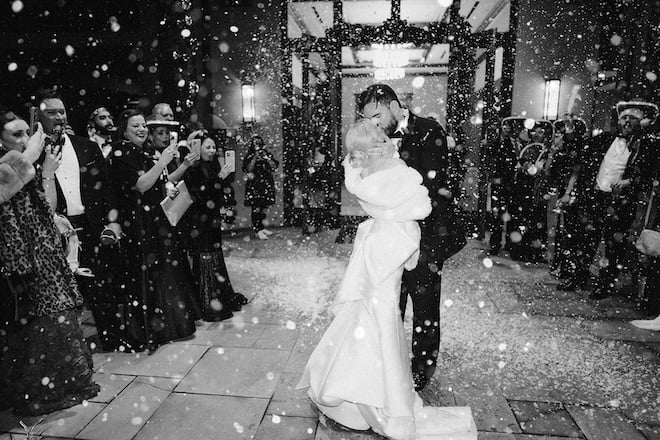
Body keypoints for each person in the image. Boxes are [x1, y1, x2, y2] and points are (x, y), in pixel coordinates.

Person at [297, 119, 476, 440]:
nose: (387, 140)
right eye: (380, 138)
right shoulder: (391, 174)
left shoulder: (380, 175)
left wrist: (363, 163)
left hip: (384, 251)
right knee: (377, 321)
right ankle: (370, 390)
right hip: (386, 252)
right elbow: (415, 199)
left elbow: (377, 190)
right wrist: (383, 159)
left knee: (373, 321)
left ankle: (363, 389)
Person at [358, 83, 465, 391]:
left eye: (378, 115)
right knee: (392, 302)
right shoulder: (378, 135)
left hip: (429, 235)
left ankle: (421, 370)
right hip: (394, 234)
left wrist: (395, 161)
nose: (375, 124)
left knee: (425, 306)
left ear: (393, 105)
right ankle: (389, 362)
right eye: (370, 120)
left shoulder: (429, 130)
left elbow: (431, 185)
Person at [0, 109, 99, 415]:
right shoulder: (7, 168)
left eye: (25, 133)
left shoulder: (23, 168)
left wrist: (45, 173)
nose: (25, 139)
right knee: (34, 325)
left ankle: (63, 382)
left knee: (57, 320)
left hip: (46, 255)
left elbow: (47, 207)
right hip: (25, 260)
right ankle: (37, 391)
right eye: (17, 134)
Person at [36, 90, 125, 352]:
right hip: (56, 231)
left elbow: (107, 188)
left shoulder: (87, 146)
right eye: (51, 112)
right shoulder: (31, 152)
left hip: (92, 225)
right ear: (40, 118)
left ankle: (111, 340)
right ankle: (70, 351)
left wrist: (114, 221)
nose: (58, 116)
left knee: (102, 287)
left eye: (61, 111)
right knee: (63, 293)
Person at [110, 109, 198, 352]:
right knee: (145, 276)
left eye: (143, 126)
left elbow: (156, 182)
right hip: (138, 222)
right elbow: (140, 184)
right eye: (135, 125)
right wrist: (162, 162)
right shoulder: (122, 150)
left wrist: (167, 188)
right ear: (124, 130)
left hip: (154, 219)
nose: (141, 129)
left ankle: (163, 327)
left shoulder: (142, 151)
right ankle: (145, 331)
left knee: (159, 274)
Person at [575, 102, 657, 300]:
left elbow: (647, 176)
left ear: (642, 122)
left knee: (613, 245)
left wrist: (630, 182)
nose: (627, 121)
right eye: (624, 118)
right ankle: (578, 276)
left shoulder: (645, 145)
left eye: (633, 118)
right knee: (587, 238)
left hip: (621, 201)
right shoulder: (604, 139)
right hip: (597, 196)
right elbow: (585, 163)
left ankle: (605, 284)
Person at [185, 134, 249, 320]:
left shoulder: (212, 166)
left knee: (214, 255)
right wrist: (219, 179)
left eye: (214, 147)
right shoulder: (193, 168)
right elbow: (199, 195)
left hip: (211, 219)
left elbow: (217, 193)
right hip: (199, 219)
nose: (212, 151)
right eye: (208, 147)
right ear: (197, 148)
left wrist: (221, 179)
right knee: (204, 256)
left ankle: (218, 295)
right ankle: (206, 302)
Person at [483, 119, 519, 255]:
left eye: (509, 127)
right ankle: (495, 244)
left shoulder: (512, 144)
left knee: (508, 214)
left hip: (509, 183)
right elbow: (490, 161)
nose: (507, 129)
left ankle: (508, 243)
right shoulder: (495, 143)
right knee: (496, 214)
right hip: (499, 183)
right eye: (505, 126)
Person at [242, 134, 279, 240]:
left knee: (264, 206)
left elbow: (274, 166)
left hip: (266, 184)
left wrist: (266, 157)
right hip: (255, 184)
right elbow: (248, 169)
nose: (258, 146)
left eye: (259, 143)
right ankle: (257, 229)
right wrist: (255, 156)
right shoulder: (250, 156)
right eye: (256, 144)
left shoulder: (266, 154)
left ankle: (262, 227)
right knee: (256, 207)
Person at [302, 144, 337, 235]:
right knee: (317, 207)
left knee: (317, 207)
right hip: (317, 187)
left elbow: (320, 174)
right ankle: (317, 224)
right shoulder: (325, 164)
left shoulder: (323, 165)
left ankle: (316, 224)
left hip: (317, 187)